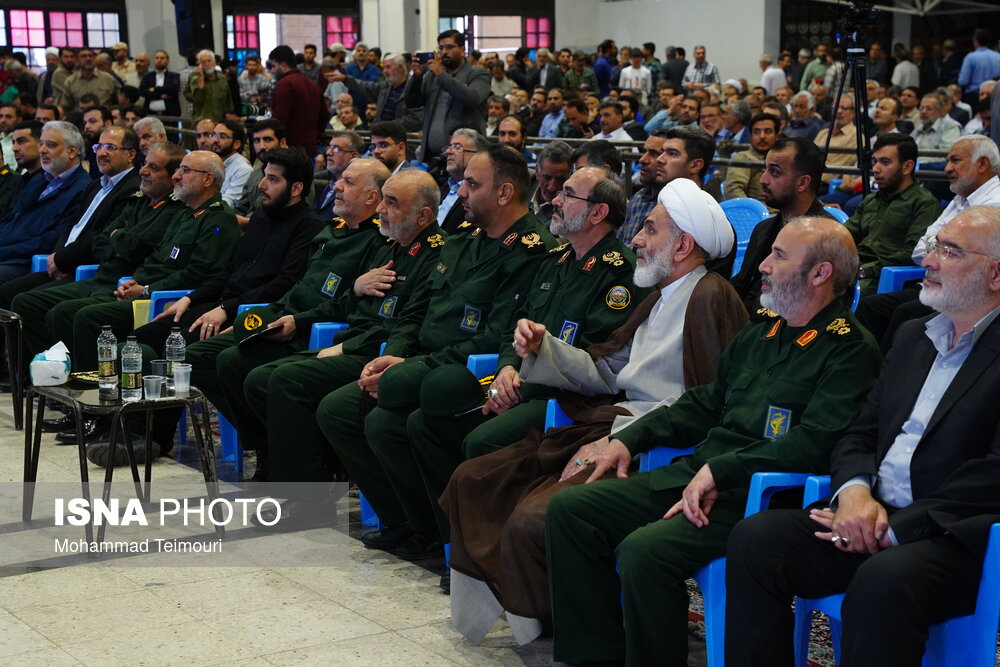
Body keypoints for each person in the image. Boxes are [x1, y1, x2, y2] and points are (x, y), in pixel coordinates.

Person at [547, 215, 880, 666]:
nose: (762, 264)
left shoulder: (849, 349)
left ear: (821, 273)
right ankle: (597, 656)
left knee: (644, 552)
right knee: (572, 510)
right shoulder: (765, 328)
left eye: (779, 256)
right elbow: (706, 401)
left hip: (758, 499)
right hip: (697, 473)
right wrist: (631, 438)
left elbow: (816, 443)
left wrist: (721, 470)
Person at [442, 178, 746, 641]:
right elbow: (609, 373)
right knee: (474, 479)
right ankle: (541, 613)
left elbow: (706, 403)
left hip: (651, 443)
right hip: (615, 425)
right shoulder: (661, 294)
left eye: (648, 230)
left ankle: (567, 626)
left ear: (683, 244)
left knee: (535, 514)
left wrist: (621, 439)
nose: (637, 241)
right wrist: (544, 347)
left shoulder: (708, 296)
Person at [726, 205, 1000, 667]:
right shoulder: (914, 335)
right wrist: (853, 495)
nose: (928, 260)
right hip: (867, 519)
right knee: (758, 539)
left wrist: (896, 530)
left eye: (949, 251)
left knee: (883, 579)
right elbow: (861, 432)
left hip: (956, 538)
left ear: (996, 275)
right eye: (935, 246)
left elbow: (993, 475)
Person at [347, 166, 643, 561]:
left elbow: (598, 360)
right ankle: (444, 538)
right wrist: (506, 369)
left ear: (597, 213)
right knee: (411, 422)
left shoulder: (619, 275)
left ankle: (484, 556)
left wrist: (520, 383)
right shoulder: (555, 262)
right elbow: (512, 330)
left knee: (479, 439)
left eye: (568, 194)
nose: (554, 199)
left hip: (566, 400)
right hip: (518, 381)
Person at [299, 146, 556, 536]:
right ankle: (406, 521)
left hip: (466, 371)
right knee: (338, 411)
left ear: (504, 193)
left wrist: (414, 367)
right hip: (423, 359)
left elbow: (495, 335)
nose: (462, 193)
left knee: (390, 418)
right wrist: (397, 353)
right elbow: (418, 309)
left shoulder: (532, 252)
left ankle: (437, 532)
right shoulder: (466, 238)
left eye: (472, 184)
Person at [96, 147, 325, 467]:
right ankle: (137, 432)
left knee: (179, 352)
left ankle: (154, 438)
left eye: (272, 180)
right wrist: (190, 298)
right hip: (216, 302)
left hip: (248, 312)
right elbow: (228, 272)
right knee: (141, 339)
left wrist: (227, 309)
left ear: (296, 188)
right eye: (263, 177)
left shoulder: (308, 228)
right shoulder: (260, 217)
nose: (261, 185)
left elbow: (283, 285)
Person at [236, 168, 450, 498]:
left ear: (423, 215)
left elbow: (407, 325)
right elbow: (349, 305)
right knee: (258, 378)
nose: (380, 209)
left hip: (376, 352)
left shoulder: (436, 254)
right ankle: (316, 470)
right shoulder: (392, 243)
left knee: (286, 380)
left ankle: (304, 496)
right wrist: (353, 290)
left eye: (391, 203)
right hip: (353, 339)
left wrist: (346, 347)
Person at [181, 158, 389, 479]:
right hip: (286, 316)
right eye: (340, 180)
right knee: (198, 356)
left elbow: (349, 305)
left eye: (348, 182)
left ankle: (288, 457)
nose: (336, 185)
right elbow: (299, 287)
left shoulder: (378, 242)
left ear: (371, 199)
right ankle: (266, 443)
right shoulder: (331, 231)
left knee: (237, 364)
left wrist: (299, 321)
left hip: (314, 332)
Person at [13, 142, 187, 392]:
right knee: (26, 303)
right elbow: (99, 241)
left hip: (121, 283)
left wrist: (118, 238)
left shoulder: (173, 210)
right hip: (99, 276)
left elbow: (136, 248)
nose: (143, 171)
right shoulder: (138, 200)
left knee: (65, 313)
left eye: (153, 167)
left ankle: (87, 393)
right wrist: (119, 239)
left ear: (172, 177)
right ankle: (55, 380)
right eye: (145, 164)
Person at [61, 151, 239, 372]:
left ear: (208, 179)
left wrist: (146, 289)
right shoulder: (186, 214)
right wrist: (135, 281)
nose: (176, 176)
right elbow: (157, 258)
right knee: (68, 311)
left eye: (185, 170)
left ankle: (95, 389)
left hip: (168, 299)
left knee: (88, 317)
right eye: (177, 169)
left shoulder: (219, 219)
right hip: (145, 290)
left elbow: (198, 274)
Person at [857, 134, 1000, 345]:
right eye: (947, 161)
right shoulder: (960, 199)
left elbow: (964, 258)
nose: (947, 168)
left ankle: (894, 375)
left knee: (904, 314)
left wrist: (939, 246)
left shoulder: (994, 203)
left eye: (955, 160)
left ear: (982, 164)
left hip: (972, 292)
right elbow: (919, 250)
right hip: (939, 281)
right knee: (872, 307)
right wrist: (946, 249)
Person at [0, 125, 140, 305]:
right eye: (98, 147)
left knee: (24, 301)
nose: (101, 153)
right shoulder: (95, 185)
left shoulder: (132, 189)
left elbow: (100, 236)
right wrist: (59, 256)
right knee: (9, 293)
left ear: (131, 154)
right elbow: (71, 226)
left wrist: (62, 259)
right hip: (58, 262)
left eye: (110, 147)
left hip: (82, 268)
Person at [731, 136, 834, 309]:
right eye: (765, 170)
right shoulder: (763, 229)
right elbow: (742, 284)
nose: (763, 180)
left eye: (775, 172)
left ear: (802, 183)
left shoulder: (825, 238)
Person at [843, 133, 941, 296]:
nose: (876, 169)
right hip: (853, 270)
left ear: (907, 167)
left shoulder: (924, 204)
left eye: (885, 162)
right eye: (875, 161)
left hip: (882, 277)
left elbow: (912, 253)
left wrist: (866, 270)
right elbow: (846, 235)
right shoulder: (871, 200)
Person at [0, 120, 91, 283]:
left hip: (28, 262)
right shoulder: (38, 180)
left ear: (71, 151)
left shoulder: (83, 189)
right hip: (8, 253)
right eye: (41, 144)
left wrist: (3, 251)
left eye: (50, 145)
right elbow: (12, 218)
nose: (42, 150)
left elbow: (49, 240)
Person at [406, 30, 490, 162]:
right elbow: (412, 102)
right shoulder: (431, 75)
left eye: (449, 47)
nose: (444, 52)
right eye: (441, 48)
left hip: (465, 157)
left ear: (462, 50)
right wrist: (416, 77)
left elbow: (473, 99)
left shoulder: (479, 74)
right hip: (432, 156)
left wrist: (441, 75)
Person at [333, 53, 422, 132]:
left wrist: (388, 125)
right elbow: (364, 86)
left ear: (401, 68)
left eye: (388, 67)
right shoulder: (384, 87)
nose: (385, 72)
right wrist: (345, 79)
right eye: (384, 68)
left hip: (400, 139)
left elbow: (414, 120)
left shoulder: (413, 90)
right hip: (380, 136)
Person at [267, 45, 326, 152]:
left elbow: (279, 120)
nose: (272, 71)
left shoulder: (285, 85)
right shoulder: (313, 84)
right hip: (311, 147)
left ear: (283, 65)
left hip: (290, 148)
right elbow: (324, 117)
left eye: (274, 66)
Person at [233, 118, 287, 224]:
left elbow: (290, 219)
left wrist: (246, 222)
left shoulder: (296, 172)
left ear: (282, 142)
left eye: (268, 139)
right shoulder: (255, 174)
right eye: (257, 140)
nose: (261, 146)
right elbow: (241, 208)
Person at [618, 132, 667, 243]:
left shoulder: (675, 207)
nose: (642, 159)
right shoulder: (638, 197)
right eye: (644, 152)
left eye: (654, 153)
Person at [437, 129, 489, 234]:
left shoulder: (479, 193)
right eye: (449, 147)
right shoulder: (444, 187)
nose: (448, 152)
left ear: (478, 155)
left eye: (457, 147)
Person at [725, 112, 781, 203]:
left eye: (768, 131)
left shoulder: (784, 160)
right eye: (756, 132)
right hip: (759, 213)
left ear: (777, 136)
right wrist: (752, 212)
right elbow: (733, 189)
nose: (762, 136)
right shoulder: (743, 158)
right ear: (751, 136)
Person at [313, 131, 364, 220]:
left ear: (354, 156)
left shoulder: (355, 193)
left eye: (336, 149)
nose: (329, 152)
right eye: (329, 147)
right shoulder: (332, 181)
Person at [814, 93, 858, 186]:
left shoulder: (856, 136)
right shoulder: (823, 133)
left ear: (853, 113)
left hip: (826, 184)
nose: (838, 111)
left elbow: (839, 168)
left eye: (844, 108)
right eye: (835, 107)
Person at [529, 140, 571, 228]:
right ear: (537, 171)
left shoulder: (571, 208)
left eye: (560, 179)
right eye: (547, 177)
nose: (552, 187)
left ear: (570, 176)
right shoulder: (520, 185)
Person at [211, 119, 252, 207]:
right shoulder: (211, 162)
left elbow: (229, 203)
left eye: (222, 136)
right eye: (213, 135)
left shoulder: (243, 169)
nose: (215, 140)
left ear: (236, 144)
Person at [958, 29, 1000, 107]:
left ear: (975, 42)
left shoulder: (970, 57)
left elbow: (963, 81)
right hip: (996, 96)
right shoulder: (998, 56)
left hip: (975, 97)